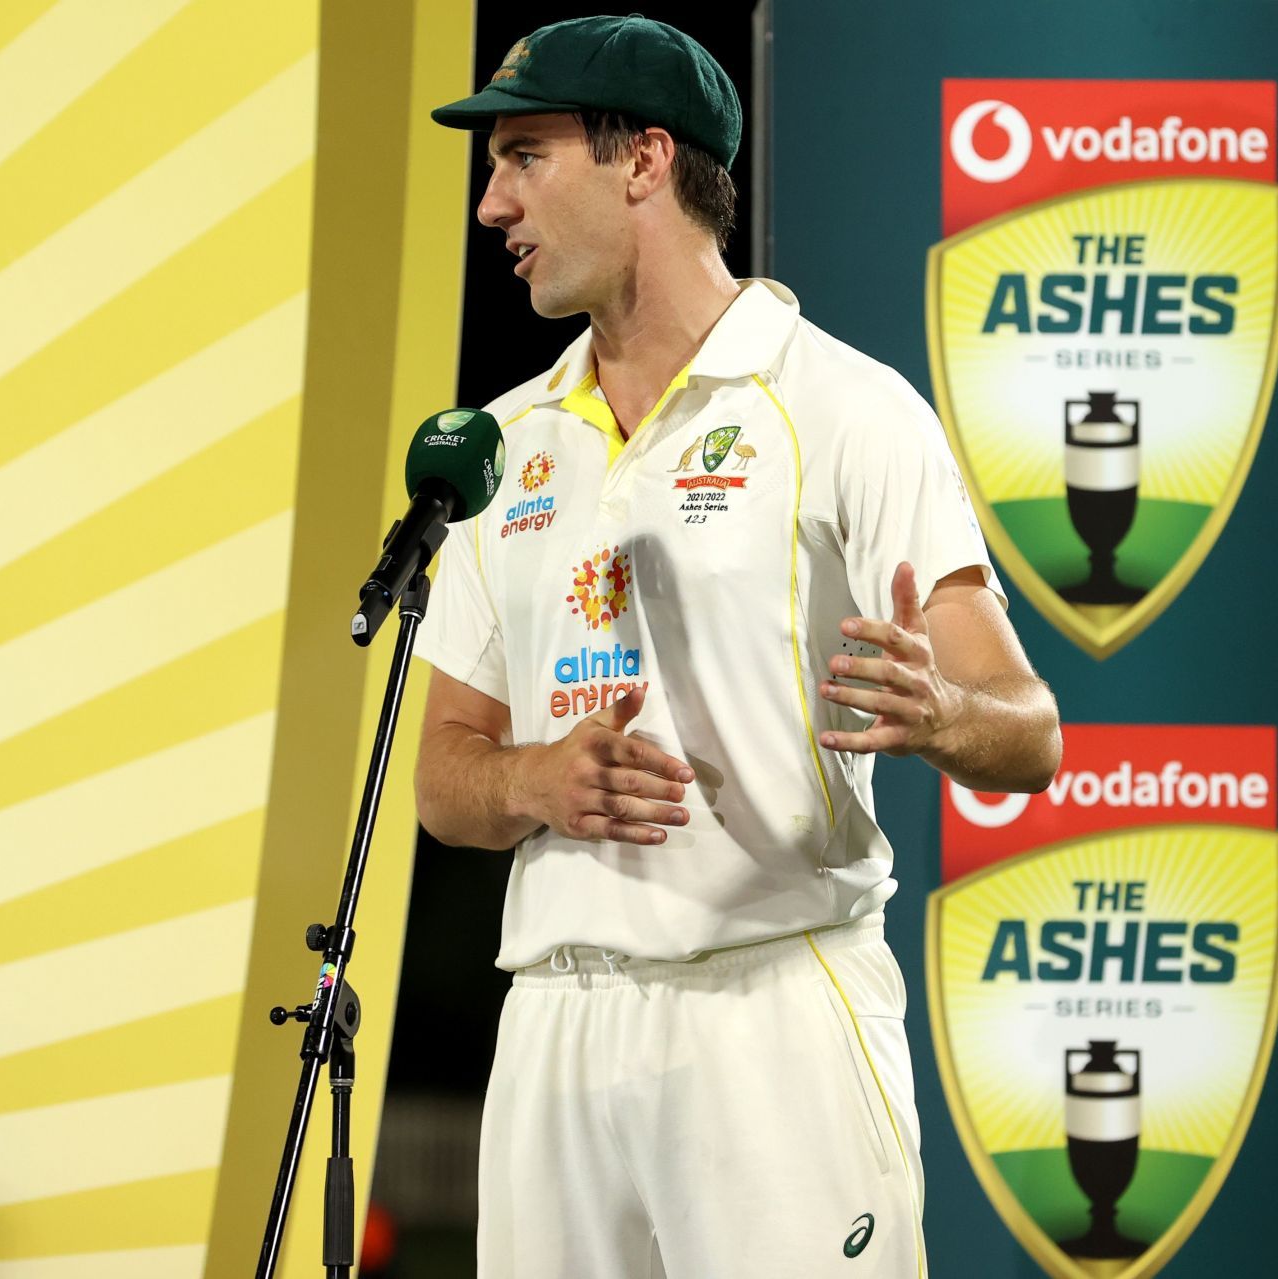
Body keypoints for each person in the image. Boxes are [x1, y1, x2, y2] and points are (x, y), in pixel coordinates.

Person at [413, 15, 1060, 1278]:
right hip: (553, 1027)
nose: (491, 204)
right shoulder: (505, 440)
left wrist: (944, 718)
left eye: (525, 156)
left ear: (645, 159)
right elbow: (444, 776)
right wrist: (534, 780)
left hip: (774, 1014)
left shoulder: (845, 407)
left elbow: (1027, 728)